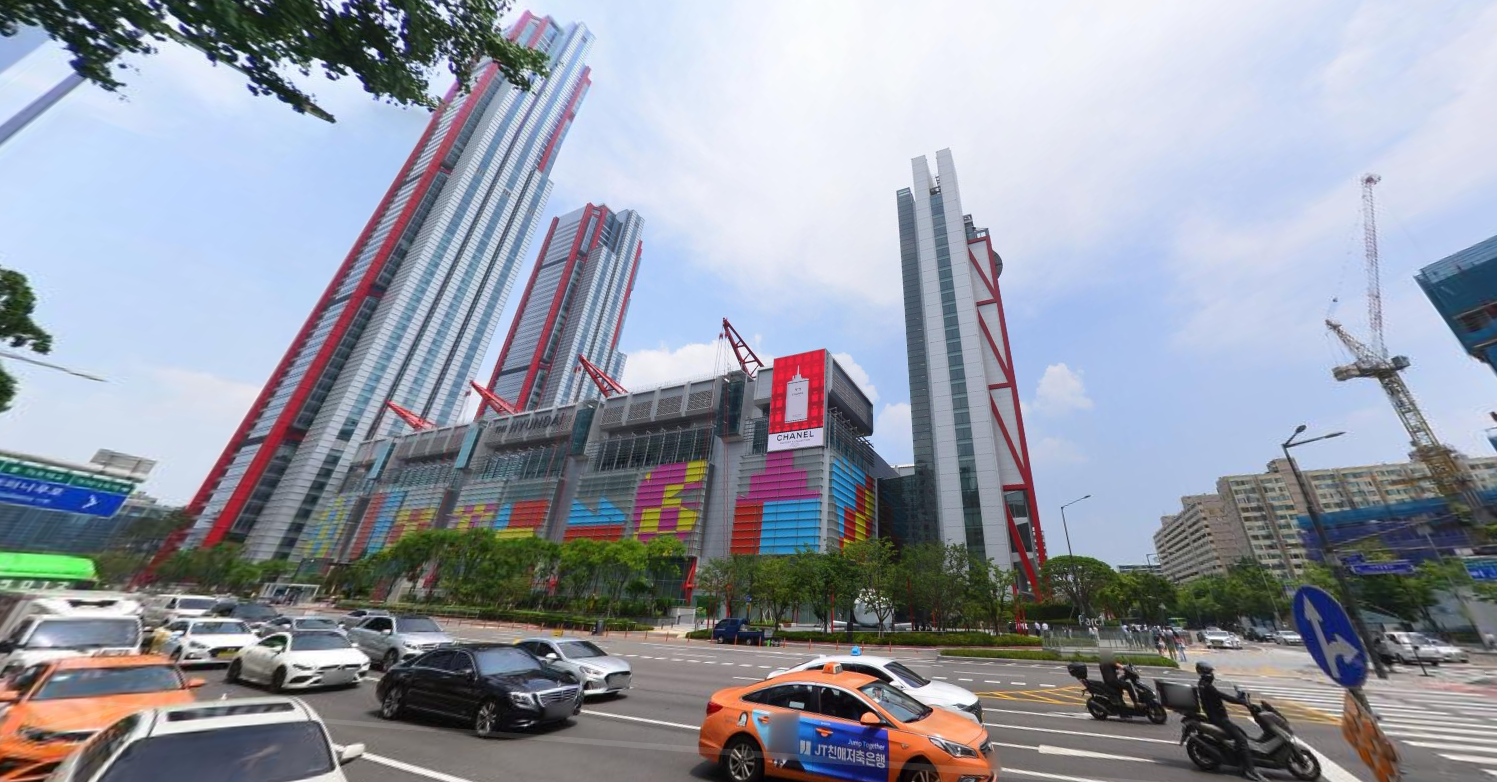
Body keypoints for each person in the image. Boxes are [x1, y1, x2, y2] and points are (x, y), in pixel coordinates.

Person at [1197, 661, 1264, 781]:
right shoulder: (1207, 686)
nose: (1212, 675)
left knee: (1242, 734)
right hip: (1218, 719)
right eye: (1210, 672)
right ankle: (1250, 770)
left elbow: (1220, 696)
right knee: (1241, 740)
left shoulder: (1203, 684)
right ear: (1204, 673)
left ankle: (1240, 760)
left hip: (1216, 717)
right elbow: (1224, 697)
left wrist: (1240, 700)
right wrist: (1242, 702)